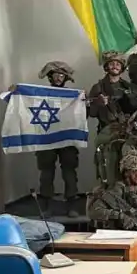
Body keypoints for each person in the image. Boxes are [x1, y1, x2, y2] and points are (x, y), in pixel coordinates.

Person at [88, 51, 137, 185]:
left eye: (118, 64)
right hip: (107, 131)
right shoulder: (98, 88)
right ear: (106, 67)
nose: (115, 66)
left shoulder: (129, 87)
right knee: (108, 167)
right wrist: (98, 104)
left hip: (127, 131)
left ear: (122, 68)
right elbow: (91, 113)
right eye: (111, 63)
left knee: (130, 165)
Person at [36, 61, 80, 217]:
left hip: (67, 138)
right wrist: (15, 92)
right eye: (55, 74)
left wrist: (84, 101)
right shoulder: (39, 95)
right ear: (50, 77)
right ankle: (46, 206)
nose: (59, 77)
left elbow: (81, 114)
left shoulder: (73, 96)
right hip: (47, 137)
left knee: (69, 172)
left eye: (62, 75)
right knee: (46, 173)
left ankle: (72, 205)